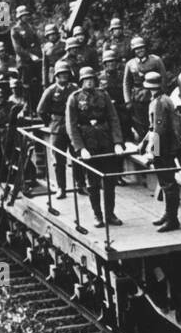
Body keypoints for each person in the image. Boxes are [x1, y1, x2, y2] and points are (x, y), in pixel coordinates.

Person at [65, 66, 125, 227]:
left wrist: (118, 143)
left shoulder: (103, 95)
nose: (89, 82)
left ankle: (110, 214)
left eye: (91, 79)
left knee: (110, 181)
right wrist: (80, 148)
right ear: (81, 82)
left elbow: (113, 119)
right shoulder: (75, 98)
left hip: (106, 142)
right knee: (93, 183)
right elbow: (71, 126)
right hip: (88, 144)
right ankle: (97, 215)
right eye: (86, 80)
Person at [144, 72, 181, 232]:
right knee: (166, 183)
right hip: (165, 146)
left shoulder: (159, 103)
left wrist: (154, 152)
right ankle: (168, 215)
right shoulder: (163, 99)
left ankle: (172, 220)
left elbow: (159, 129)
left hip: (164, 148)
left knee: (168, 184)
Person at [36, 59, 75, 202]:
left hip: (73, 128)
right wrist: (51, 123)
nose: (63, 76)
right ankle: (61, 187)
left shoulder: (74, 89)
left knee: (77, 157)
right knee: (58, 160)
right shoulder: (51, 91)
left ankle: (82, 185)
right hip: (57, 128)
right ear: (56, 76)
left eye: (66, 73)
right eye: (61, 74)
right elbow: (40, 110)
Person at [123, 36, 166, 137]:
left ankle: (156, 150)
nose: (140, 50)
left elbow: (163, 78)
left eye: (141, 47)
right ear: (133, 50)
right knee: (141, 125)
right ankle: (145, 148)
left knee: (156, 124)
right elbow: (126, 83)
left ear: (145, 48)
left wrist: (162, 96)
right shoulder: (130, 64)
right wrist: (128, 100)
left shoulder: (156, 60)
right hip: (138, 99)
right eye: (137, 49)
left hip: (154, 96)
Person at [0, 85, 19, 199]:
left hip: (14, 134)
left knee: (17, 157)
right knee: (7, 160)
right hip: (2, 138)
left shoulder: (11, 105)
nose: (0, 99)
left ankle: (19, 180)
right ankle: (12, 181)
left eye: (1, 97)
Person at [99, 47, 132, 142]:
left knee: (126, 128)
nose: (111, 64)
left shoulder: (123, 75)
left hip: (122, 107)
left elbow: (129, 89)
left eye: (113, 61)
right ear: (104, 64)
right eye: (108, 62)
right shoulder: (100, 77)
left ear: (117, 63)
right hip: (107, 108)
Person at [10, 5, 42, 95]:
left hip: (35, 60)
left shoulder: (30, 27)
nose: (26, 17)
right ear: (19, 17)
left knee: (38, 83)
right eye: (23, 15)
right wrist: (30, 56)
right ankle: (27, 106)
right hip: (24, 61)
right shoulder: (15, 30)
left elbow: (37, 43)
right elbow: (17, 48)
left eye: (26, 15)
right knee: (26, 85)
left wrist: (39, 54)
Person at [40, 24, 63, 89]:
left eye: (53, 34)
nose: (52, 37)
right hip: (52, 73)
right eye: (49, 35)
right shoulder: (46, 47)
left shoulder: (64, 44)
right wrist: (44, 82)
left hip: (63, 70)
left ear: (57, 34)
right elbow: (44, 66)